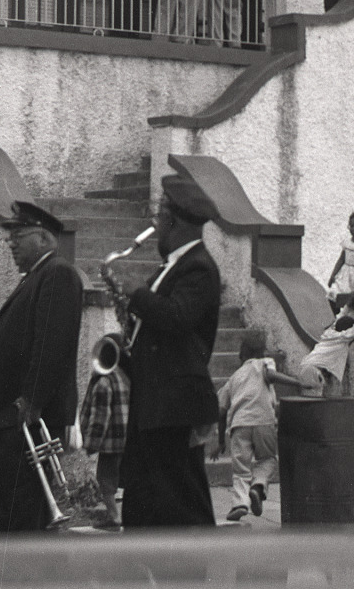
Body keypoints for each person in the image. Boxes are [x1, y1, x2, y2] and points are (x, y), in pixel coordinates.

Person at [103, 174, 221, 528]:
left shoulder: (198, 266)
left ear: (173, 219)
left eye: (159, 214)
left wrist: (136, 293)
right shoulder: (168, 267)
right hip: (155, 401)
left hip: (176, 405)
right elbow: (158, 330)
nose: (155, 224)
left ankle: (192, 581)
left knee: (184, 504)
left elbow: (178, 317)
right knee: (143, 504)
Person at [0, 200, 84, 535]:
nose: (11, 242)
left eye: (18, 235)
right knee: (17, 505)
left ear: (43, 238)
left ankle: (18, 581)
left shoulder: (57, 273)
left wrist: (33, 398)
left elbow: (51, 343)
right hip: (18, 415)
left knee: (21, 509)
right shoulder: (38, 276)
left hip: (27, 416)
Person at [216, 329, 302, 522]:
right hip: (264, 422)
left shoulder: (234, 378)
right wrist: (296, 382)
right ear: (263, 353)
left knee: (240, 469)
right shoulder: (265, 363)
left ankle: (240, 503)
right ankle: (258, 486)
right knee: (268, 459)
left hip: (239, 426)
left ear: (241, 355)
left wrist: (221, 441)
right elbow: (271, 375)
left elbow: (221, 411)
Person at [76, 347, 129, 531]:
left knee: (105, 481)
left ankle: (115, 518)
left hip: (110, 444)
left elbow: (100, 418)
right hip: (126, 440)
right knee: (123, 479)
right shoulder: (122, 377)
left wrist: (91, 444)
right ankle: (126, 516)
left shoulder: (103, 383)